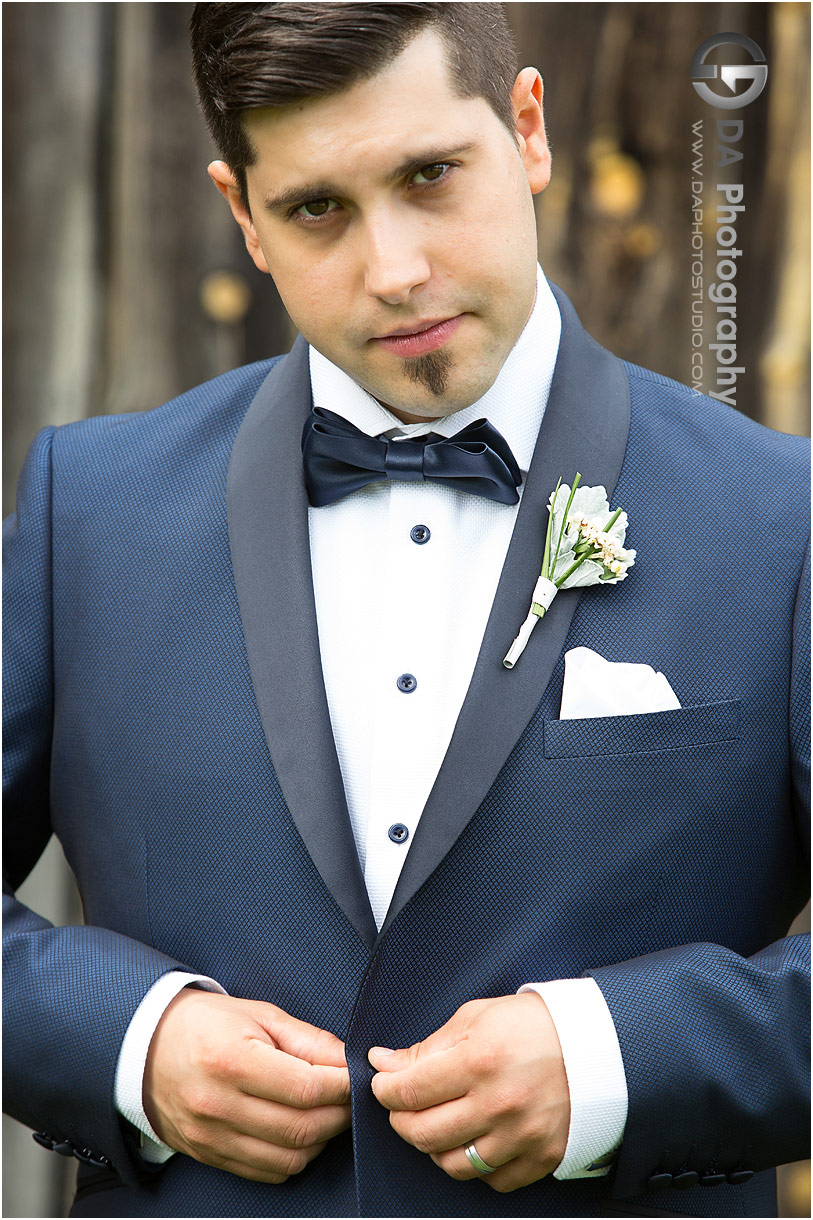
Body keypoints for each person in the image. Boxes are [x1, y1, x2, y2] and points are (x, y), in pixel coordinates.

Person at [3, 4, 808, 1217]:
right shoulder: (90, 513)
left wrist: (617, 1059)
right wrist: (131, 1042)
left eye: (431, 175)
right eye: (318, 208)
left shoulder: (781, 520)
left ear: (527, 130)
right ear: (243, 216)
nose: (395, 270)